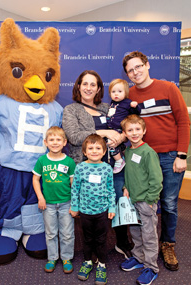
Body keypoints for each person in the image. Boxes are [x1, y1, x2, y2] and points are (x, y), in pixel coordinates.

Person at [122, 51, 190, 271]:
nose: (135, 72)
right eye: (130, 70)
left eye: (138, 67)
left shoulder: (169, 88)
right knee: (143, 203)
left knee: (169, 204)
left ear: (147, 65)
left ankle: (167, 244)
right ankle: (143, 248)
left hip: (170, 157)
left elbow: (183, 122)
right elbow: (124, 125)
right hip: (141, 158)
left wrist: (181, 154)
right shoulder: (129, 95)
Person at [62, 70, 133, 259]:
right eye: (85, 84)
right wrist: (103, 133)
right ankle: (89, 251)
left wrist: (119, 138)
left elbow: (123, 127)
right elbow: (74, 137)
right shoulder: (71, 110)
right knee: (89, 211)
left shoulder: (107, 107)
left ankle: (121, 242)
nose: (88, 88)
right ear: (78, 86)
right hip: (86, 169)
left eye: (93, 84)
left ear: (99, 88)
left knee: (117, 202)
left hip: (113, 166)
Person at [120, 114, 162, 285]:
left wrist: (150, 199)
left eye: (138, 129)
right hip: (133, 200)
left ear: (144, 131)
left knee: (149, 235)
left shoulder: (148, 152)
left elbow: (156, 179)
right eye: (130, 130)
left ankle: (151, 267)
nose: (134, 133)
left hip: (146, 201)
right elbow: (129, 174)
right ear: (125, 133)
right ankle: (138, 257)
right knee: (136, 232)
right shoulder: (128, 151)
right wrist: (125, 188)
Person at [70, 134, 116, 284]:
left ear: (104, 152)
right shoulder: (80, 167)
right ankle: (88, 261)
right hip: (85, 211)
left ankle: (101, 265)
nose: (94, 151)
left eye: (98, 148)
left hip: (102, 211)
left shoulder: (107, 168)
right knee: (88, 238)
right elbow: (75, 188)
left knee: (101, 239)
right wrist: (75, 206)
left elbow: (111, 189)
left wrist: (111, 206)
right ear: (84, 152)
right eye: (90, 148)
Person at [32, 126, 76, 274]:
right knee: (51, 232)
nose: (55, 143)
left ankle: (66, 258)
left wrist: (75, 203)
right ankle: (52, 258)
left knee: (67, 232)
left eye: (58, 140)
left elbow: (73, 183)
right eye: (51, 140)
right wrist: (40, 197)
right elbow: (35, 179)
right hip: (48, 204)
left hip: (66, 203)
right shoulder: (42, 161)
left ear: (65, 142)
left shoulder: (69, 162)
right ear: (46, 142)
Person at [107, 79, 140, 173]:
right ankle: (122, 150)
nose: (116, 94)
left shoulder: (127, 102)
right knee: (115, 144)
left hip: (119, 129)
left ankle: (119, 160)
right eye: (113, 92)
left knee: (111, 144)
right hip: (111, 128)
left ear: (126, 93)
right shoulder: (112, 103)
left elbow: (136, 113)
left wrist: (135, 106)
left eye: (119, 91)